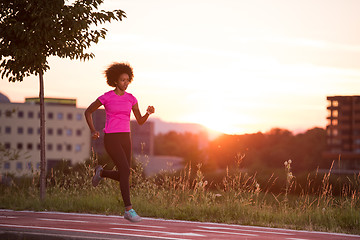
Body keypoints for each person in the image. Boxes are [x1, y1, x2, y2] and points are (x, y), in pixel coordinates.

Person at [84, 62, 155, 222]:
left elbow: (140, 121)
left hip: (126, 138)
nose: (126, 83)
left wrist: (148, 113)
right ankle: (128, 210)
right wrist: (93, 130)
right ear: (115, 81)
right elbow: (88, 111)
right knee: (124, 169)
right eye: (123, 80)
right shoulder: (107, 97)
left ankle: (101, 173)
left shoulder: (132, 99)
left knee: (126, 172)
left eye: (128, 80)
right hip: (111, 137)